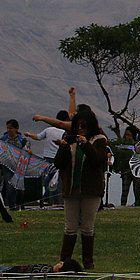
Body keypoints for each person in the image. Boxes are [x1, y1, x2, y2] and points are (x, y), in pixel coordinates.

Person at [54, 106, 111, 271]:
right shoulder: (68, 138)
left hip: (91, 190)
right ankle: (64, 261)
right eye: (78, 125)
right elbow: (58, 163)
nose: (80, 129)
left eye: (84, 126)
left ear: (91, 125)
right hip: (71, 189)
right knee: (70, 226)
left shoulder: (99, 139)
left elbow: (97, 161)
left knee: (87, 226)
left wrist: (86, 145)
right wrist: (64, 146)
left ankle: (88, 261)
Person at [25, 111, 68, 206]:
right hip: (57, 158)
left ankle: (47, 198)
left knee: (49, 177)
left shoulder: (48, 130)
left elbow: (38, 137)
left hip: (47, 157)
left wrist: (29, 134)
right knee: (56, 179)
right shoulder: (64, 132)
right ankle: (49, 198)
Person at [0, 119, 30, 209]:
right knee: (10, 186)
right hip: (7, 166)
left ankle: (21, 204)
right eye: (7, 128)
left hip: (19, 166)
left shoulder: (22, 140)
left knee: (19, 187)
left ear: (16, 129)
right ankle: (12, 205)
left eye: (10, 128)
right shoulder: (3, 139)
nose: (8, 130)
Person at [115, 126, 140, 208]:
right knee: (125, 190)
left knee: (137, 190)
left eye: (129, 135)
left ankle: (138, 204)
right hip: (125, 170)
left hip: (136, 170)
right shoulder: (122, 145)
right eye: (126, 135)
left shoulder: (137, 144)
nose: (127, 137)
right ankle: (123, 205)